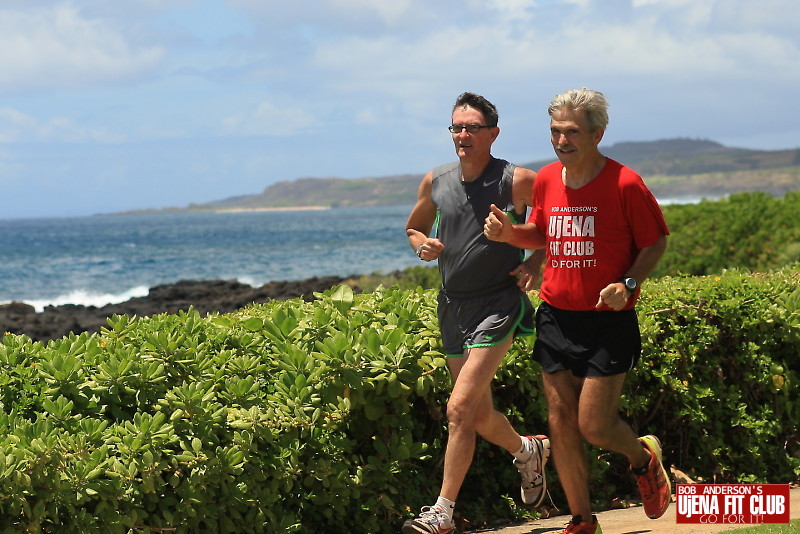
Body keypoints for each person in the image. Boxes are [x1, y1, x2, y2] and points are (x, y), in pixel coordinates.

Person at [484, 88, 671, 534]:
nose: (561, 140)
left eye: (571, 132)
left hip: (608, 320)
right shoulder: (548, 179)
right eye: (555, 132)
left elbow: (655, 241)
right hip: (555, 314)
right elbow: (545, 234)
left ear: (596, 134)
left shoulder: (625, 182)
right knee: (561, 421)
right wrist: (512, 234)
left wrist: (628, 284)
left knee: (595, 425)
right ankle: (582, 520)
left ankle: (643, 458)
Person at [402, 92, 550, 534]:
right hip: (452, 306)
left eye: (472, 128)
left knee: (458, 408)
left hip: (497, 304)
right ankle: (528, 451)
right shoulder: (436, 180)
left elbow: (550, 230)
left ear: (493, 134)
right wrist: (421, 245)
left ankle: (442, 513)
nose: (463, 135)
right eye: (456, 128)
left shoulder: (518, 180)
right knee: (479, 415)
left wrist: (532, 264)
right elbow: (414, 226)